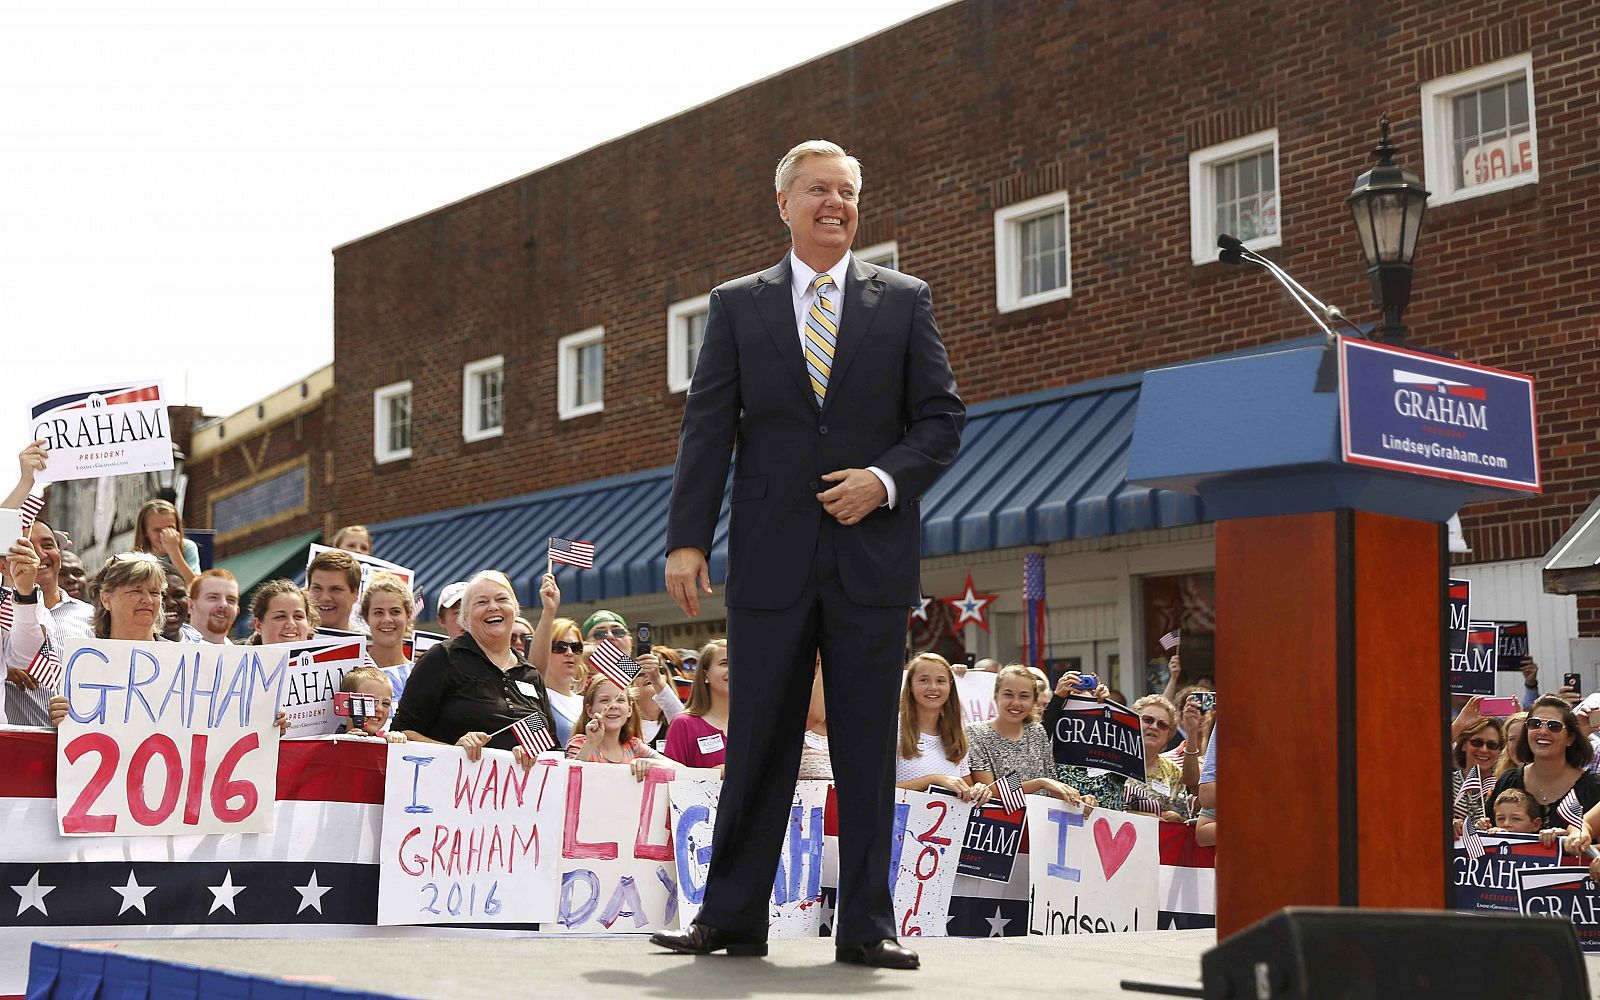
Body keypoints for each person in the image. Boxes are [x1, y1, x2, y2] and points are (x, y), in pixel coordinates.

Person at [656, 139, 964, 970]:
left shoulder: (903, 301)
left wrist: (883, 479)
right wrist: (688, 537)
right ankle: (729, 919)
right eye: (819, 190)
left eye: (849, 192)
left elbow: (941, 421)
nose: (836, 204)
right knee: (758, 739)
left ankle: (868, 926)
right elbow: (707, 430)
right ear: (783, 203)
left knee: (866, 745)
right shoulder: (735, 304)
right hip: (770, 559)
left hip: (871, 558)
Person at [391, 571, 558, 758]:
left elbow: (551, 747)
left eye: (501, 599)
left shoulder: (530, 674)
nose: (493, 607)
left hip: (523, 786)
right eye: (482, 602)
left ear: (515, 609)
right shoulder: (443, 658)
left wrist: (532, 751)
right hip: (455, 784)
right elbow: (402, 731)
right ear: (465, 617)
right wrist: (453, 750)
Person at [5, 517, 93, 727]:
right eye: (25, 547)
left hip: (82, 752)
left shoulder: (92, 617)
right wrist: (4, 671)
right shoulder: (3, 615)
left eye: (47, 545)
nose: (39, 555)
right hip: (16, 753)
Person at [967, 665, 1094, 807]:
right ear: (996, 696)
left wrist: (1078, 799)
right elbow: (988, 790)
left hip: (1039, 823)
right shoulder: (976, 732)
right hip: (1001, 824)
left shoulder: (1037, 732)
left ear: (1034, 701)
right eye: (1008, 694)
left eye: (1024, 696)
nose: (1016, 703)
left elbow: (1053, 786)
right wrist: (1040, 783)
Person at [1488, 695, 1600, 829]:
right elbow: (1485, 830)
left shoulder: (1593, 787)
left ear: (1570, 738)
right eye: (1534, 724)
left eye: (1554, 726)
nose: (1542, 731)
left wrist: (1571, 840)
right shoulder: (1508, 781)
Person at [894, 652, 988, 803]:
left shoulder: (955, 734)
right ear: (910, 685)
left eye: (941, 681)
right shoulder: (893, 731)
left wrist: (978, 791)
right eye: (924, 680)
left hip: (950, 825)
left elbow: (966, 789)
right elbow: (879, 792)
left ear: (950, 686)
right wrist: (933, 780)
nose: (933, 687)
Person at [565, 674, 676, 781]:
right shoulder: (580, 743)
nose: (613, 705)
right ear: (589, 710)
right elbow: (569, 778)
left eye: (620, 700)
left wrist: (650, 763)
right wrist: (590, 744)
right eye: (604, 700)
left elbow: (681, 769)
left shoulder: (634, 746)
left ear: (629, 710)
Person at [664, 639, 730, 771]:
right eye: (724, 663)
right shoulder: (684, 724)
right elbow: (671, 779)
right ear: (705, 675)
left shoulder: (755, 723)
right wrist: (712, 776)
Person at [535, 616, 585, 747]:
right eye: (560, 647)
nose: (569, 653)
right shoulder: (533, 700)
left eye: (576, 647)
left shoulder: (588, 702)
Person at [132, 498, 201, 586]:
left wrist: (174, 551)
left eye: (170, 528)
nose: (165, 534)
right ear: (145, 532)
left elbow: (195, 586)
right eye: (157, 530)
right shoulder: (137, 557)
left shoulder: (187, 547)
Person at [337, 666, 407, 743]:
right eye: (370, 701)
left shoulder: (386, 738)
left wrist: (395, 741)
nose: (379, 708)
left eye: (385, 703)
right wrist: (345, 744)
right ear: (347, 704)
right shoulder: (329, 743)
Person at [1453, 716, 1506, 802]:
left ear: (1500, 751)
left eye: (1492, 745)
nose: (1484, 750)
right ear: (1463, 745)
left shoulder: (1505, 787)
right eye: (1476, 742)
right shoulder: (1446, 784)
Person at [307, 549, 361, 632]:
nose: (325, 597)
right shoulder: (288, 640)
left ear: (355, 593)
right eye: (317, 588)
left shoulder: (370, 643)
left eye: (336, 589)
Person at [250, 579, 318, 644]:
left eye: (298, 616)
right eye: (280, 616)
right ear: (258, 625)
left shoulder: (325, 654)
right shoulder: (239, 654)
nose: (291, 624)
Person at [187, 569, 240, 644]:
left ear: (237, 610)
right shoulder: (170, 649)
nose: (223, 604)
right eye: (213, 597)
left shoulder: (240, 654)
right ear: (191, 606)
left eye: (231, 600)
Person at [162, 570, 194, 642]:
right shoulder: (131, 646)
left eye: (178, 595)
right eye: (162, 596)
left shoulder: (209, 650)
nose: (170, 603)